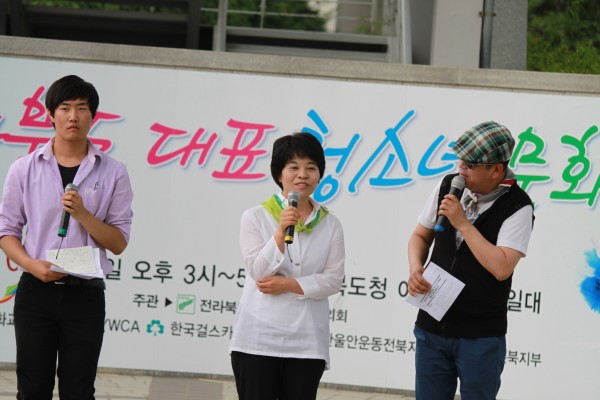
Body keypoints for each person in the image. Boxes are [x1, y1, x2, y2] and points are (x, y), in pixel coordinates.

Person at [0, 75, 134, 399]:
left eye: (81, 108)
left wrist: (84, 214)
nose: (73, 116)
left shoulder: (113, 171)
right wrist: (32, 265)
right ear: (50, 114)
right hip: (36, 290)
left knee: (79, 390)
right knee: (32, 388)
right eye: (65, 108)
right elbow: (6, 231)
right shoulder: (24, 168)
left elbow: (118, 242)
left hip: (85, 294)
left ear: (93, 115)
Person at [407, 121, 534, 400]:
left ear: (496, 170)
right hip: (431, 324)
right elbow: (419, 236)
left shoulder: (517, 205)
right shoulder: (448, 185)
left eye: (470, 165)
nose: (461, 169)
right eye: (460, 161)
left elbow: (502, 267)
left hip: (480, 334)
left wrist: (463, 223)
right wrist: (416, 268)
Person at [229, 131, 345, 400]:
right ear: (279, 174)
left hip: (307, 343)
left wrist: (290, 285)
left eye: (311, 168)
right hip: (257, 340)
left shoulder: (331, 224)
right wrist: (281, 232)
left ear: (319, 175)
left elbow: (333, 280)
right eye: (294, 167)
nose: (303, 175)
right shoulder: (255, 216)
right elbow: (258, 272)